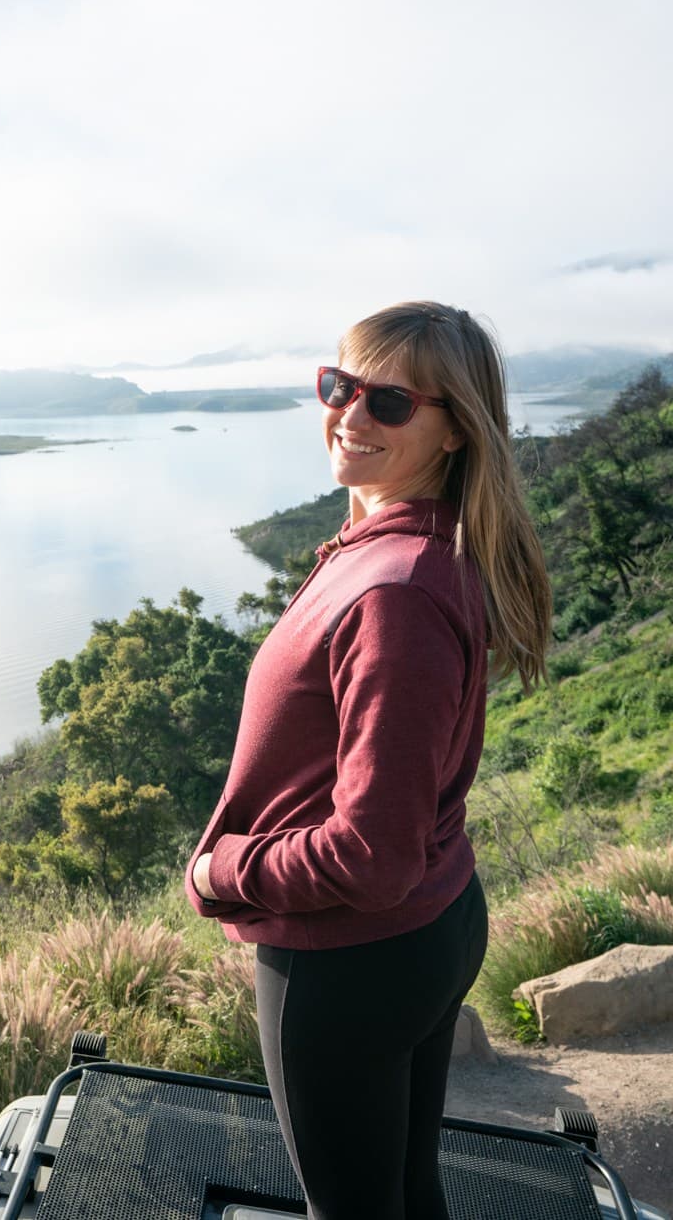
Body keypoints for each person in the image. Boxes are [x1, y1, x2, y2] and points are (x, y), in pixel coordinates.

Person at [185, 301, 551, 1220]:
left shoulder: (397, 592)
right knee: (402, 1191)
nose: (349, 414)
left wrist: (222, 868)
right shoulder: (400, 551)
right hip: (427, 925)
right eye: (338, 385)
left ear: (454, 430)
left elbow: (371, 854)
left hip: (346, 959)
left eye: (389, 403)